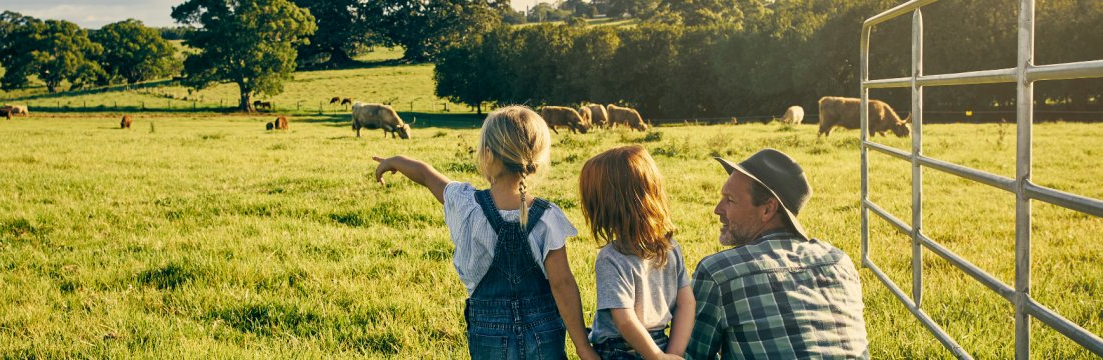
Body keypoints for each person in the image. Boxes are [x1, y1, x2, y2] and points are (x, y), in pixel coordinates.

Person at [372, 106, 597, 359]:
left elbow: (426, 175)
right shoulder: (547, 217)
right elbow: (562, 284)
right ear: (535, 159)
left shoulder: (467, 206)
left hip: (488, 335)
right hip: (543, 334)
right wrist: (582, 345)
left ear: (487, 155)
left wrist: (395, 161)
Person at [686, 148, 868, 359]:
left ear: (767, 209)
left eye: (730, 200)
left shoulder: (719, 272)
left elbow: (691, 355)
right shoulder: (839, 263)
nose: (718, 209)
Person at [580, 145, 694, 360]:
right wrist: (672, 354)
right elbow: (687, 304)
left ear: (605, 207)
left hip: (620, 350)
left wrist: (658, 358)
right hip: (661, 343)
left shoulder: (611, 258)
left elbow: (625, 321)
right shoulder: (670, 247)